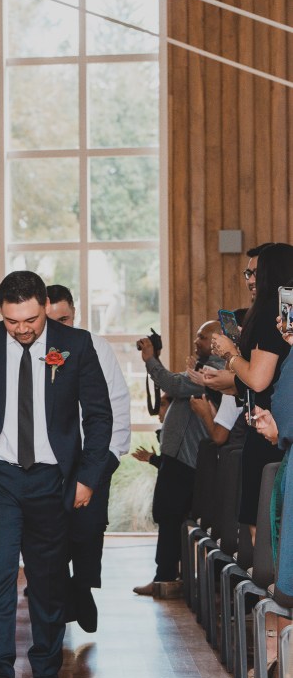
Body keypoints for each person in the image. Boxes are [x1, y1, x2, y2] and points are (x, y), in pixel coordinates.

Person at [0, 271, 112, 678]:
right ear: (1, 311)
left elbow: (99, 417)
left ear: (44, 307)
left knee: (48, 580)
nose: (22, 329)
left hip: (52, 480)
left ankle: (46, 670)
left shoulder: (76, 344)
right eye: (12, 321)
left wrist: (87, 477)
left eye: (31, 320)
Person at [45, 284, 131, 632]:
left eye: (64, 319)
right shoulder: (32, 350)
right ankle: (61, 596)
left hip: (92, 455)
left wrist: (109, 456)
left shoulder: (95, 346)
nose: (58, 328)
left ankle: (82, 586)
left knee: (89, 529)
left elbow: (116, 402)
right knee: (52, 535)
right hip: (48, 461)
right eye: (51, 320)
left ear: (75, 314)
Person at [133, 320, 224, 597]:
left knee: (169, 517)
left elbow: (172, 384)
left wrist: (151, 360)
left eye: (202, 337)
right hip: (182, 459)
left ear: (217, 342)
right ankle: (173, 578)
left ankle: (164, 580)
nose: (196, 341)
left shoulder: (213, 371)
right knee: (171, 518)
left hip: (185, 462)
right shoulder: (205, 369)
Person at [211, 243, 293, 536]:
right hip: (272, 423)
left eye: (256, 272)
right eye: (248, 273)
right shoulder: (278, 312)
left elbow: (259, 380)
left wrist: (230, 354)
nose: (250, 279)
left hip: (269, 425)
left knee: (262, 521)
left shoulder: (270, 312)